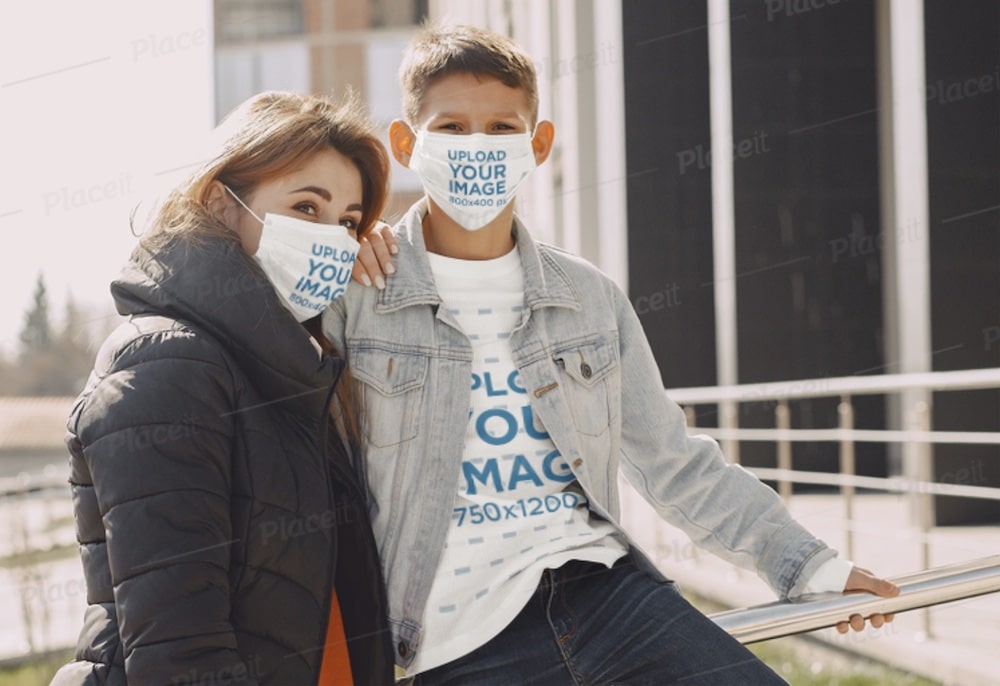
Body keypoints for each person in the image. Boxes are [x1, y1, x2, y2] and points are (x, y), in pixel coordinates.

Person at [321, 24, 900, 685]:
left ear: (538, 145)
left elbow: (674, 464)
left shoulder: (587, 297)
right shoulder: (355, 294)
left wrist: (808, 565)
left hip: (610, 598)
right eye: (450, 128)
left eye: (502, 128)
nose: (476, 148)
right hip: (455, 642)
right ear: (407, 144)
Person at [52, 91, 397, 686]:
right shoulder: (168, 364)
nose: (333, 241)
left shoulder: (296, 370)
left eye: (347, 221)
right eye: (306, 207)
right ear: (220, 202)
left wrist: (386, 287)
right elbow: (179, 656)